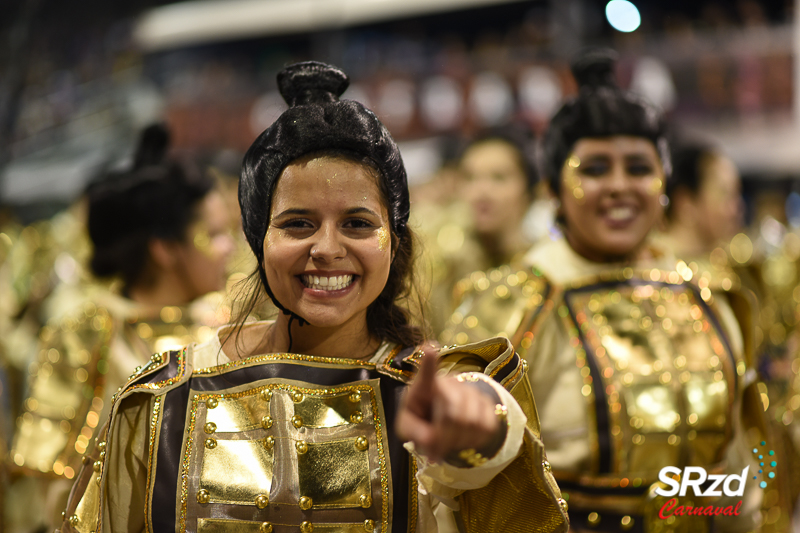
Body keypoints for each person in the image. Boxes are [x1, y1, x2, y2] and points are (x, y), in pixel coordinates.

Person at [57, 62, 568, 533]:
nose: (326, 249)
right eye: (297, 224)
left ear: (395, 242)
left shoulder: (434, 393)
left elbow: (511, 484)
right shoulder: (162, 398)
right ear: (260, 242)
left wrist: (485, 436)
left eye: (358, 224)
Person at [442, 49, 770, 532]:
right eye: (595, 169)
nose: (619, 186)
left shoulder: (709, 296)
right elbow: (461, 486)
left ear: (662, 182)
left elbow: (744, 467)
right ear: (554, 188)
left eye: (638, 167)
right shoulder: (510, 304)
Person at [9, 124, 234, 532]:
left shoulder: (231, 321)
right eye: (214, 234)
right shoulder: (86, 331)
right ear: (164, 248)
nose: (229, 248)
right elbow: (49, 485)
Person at [416, 128, 539, 337]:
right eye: (470, 178)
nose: (481, 192)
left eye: (499, 178)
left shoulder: (541, 268)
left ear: (529, 190)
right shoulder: (438, 264)